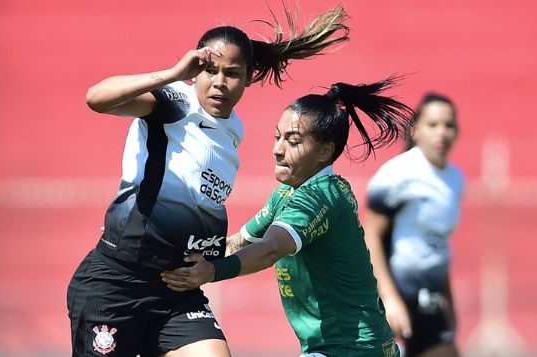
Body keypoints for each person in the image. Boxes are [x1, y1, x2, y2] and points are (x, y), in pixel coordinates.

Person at [68, 6, 350, 357]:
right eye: (209, 70)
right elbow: (96, 98)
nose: (219, 82)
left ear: (249, 78)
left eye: (232, 73)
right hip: (117, 282)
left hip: (176, 289)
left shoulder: (235, 130)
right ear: (195, 72)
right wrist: (172, 74)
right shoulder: (173, 102)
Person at [161, 77, 414, 357]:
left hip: (351, 349)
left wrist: (211, 272)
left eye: (292, 141)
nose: (277, 149)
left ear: (325, 152)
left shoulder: (320, 198)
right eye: (277, 136)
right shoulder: (287, 194)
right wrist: (172, 253)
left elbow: (269, 250)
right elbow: (240, 243)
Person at [362, 93, 463, 357]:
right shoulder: (398, 174)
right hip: (395, 298)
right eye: (433, 124)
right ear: (415, 130)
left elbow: (439, 243)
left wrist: (449, 305)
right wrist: (389, 298)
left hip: (429, 299)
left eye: (449, 125)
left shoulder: (455, 180)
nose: (441, 132)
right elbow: (370, 236)